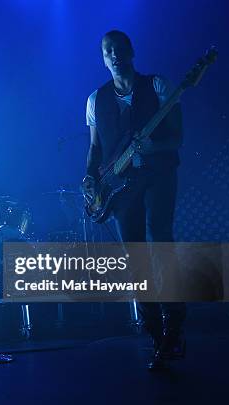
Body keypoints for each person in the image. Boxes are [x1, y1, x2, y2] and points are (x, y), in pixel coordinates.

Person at [81, 31, 186, 370]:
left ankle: (175, 323)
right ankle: (157, 334)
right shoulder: (95, 100)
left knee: (160, 239)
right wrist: (89, 177)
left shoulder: (158, 86)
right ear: (102, 58)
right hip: (120, 186)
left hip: (157, 175)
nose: (112, 55)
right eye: (106, 51)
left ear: (131, 51)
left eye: (117, 48)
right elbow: (95, 149)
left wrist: (155, 147)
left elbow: (177, 138)